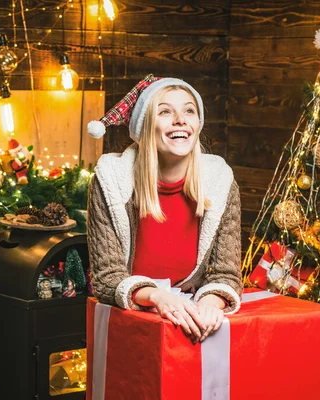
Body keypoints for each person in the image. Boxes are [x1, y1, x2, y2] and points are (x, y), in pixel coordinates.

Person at [86, 74, 242, 343]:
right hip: (132, 319)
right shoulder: (112, 180)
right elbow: (107, 277)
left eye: (189, 111)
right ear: (144, 126)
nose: (180, 119)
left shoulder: (220, 181)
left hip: (190, 315)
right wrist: (158, 297)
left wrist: (210, 305)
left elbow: (225, 274)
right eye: (165, 111)